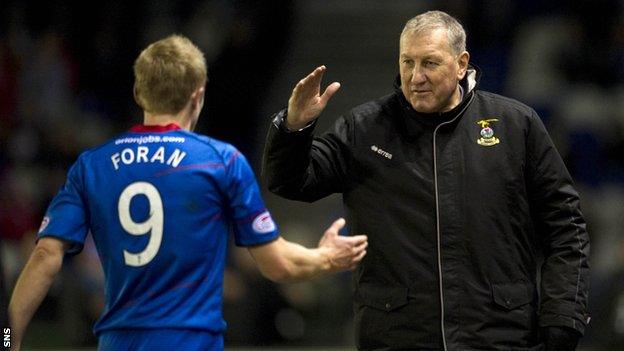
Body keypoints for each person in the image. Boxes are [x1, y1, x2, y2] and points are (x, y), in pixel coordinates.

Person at [8, 35, 368, 351]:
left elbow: (45, 255)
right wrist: (327, 258)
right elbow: (277, 264)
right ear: (198, 96)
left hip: (118, 342)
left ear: (138, 92)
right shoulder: (220, 161)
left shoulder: (93, 165)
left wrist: (7, 338)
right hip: (192, 342)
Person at [262, 10, 589, 351]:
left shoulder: (515, 125)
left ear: (461, 64)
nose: (415, 77)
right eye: (407, 63)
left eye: (429, 63)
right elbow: (290, 182)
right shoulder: (364, 129)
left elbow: (566, 228)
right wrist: (293, 129)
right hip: (396, 337)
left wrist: (563, 320)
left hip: (500, 336)